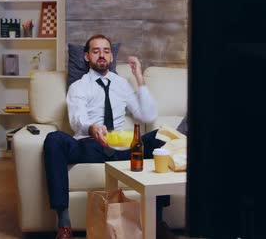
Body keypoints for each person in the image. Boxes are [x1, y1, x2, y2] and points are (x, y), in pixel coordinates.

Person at [43, 34, 171, 239]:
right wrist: (92, 128)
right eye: (96, 51)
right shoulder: (79, 86)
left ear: (111, 57)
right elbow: (77, 120)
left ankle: (159, 222)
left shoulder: (122, 84)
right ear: (86, 57)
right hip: (90, 145)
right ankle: (64, 224)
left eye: (106, 51)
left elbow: (147, 115)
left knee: (163, 136)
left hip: (123, 149)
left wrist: (139, 78)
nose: (101, 55)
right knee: (54, 139)